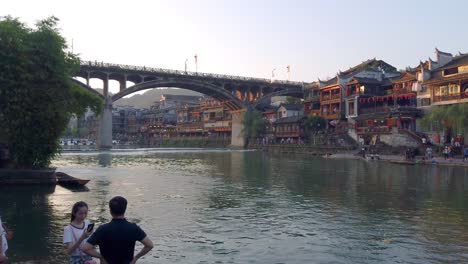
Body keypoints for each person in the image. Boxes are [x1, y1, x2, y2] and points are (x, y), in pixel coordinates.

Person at [83, 196, 153, 264]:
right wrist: (136, 258)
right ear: (124, 210)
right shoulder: (133, 228)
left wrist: (101, 257)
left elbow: (86, 248)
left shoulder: (103, 229)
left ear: (110, 211)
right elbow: (149, 245)